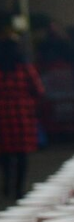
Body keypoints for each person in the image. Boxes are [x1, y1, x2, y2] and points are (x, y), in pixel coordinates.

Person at [0, 37, 44, 199]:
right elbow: (39, 90)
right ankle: (19, 188)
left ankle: (6, 185)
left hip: (2, 116)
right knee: (22, 154)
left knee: (4, 152)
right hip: (22, 115)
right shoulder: (25, 68)